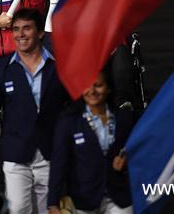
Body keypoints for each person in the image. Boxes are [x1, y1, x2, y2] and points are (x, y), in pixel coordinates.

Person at [0, 9, 70, 214]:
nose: (20, 34)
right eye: (16, 29)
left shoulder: (58, 67)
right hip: (15, 153)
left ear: (40, 33)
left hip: (50, 153)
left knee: (47, 210)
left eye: (27, 28)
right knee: (18, 209)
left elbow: (71, 110)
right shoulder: (2, 68)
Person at [47, 72, 134, 214]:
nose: (92, 91)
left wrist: (126, 162)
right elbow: (59, 163)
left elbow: (139, 150)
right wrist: (53, 202)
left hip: (119, 196)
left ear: (108, 88)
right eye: (86, 86)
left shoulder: (124, 118)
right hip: (84, 199)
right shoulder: (68, 122)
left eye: (98, 85)